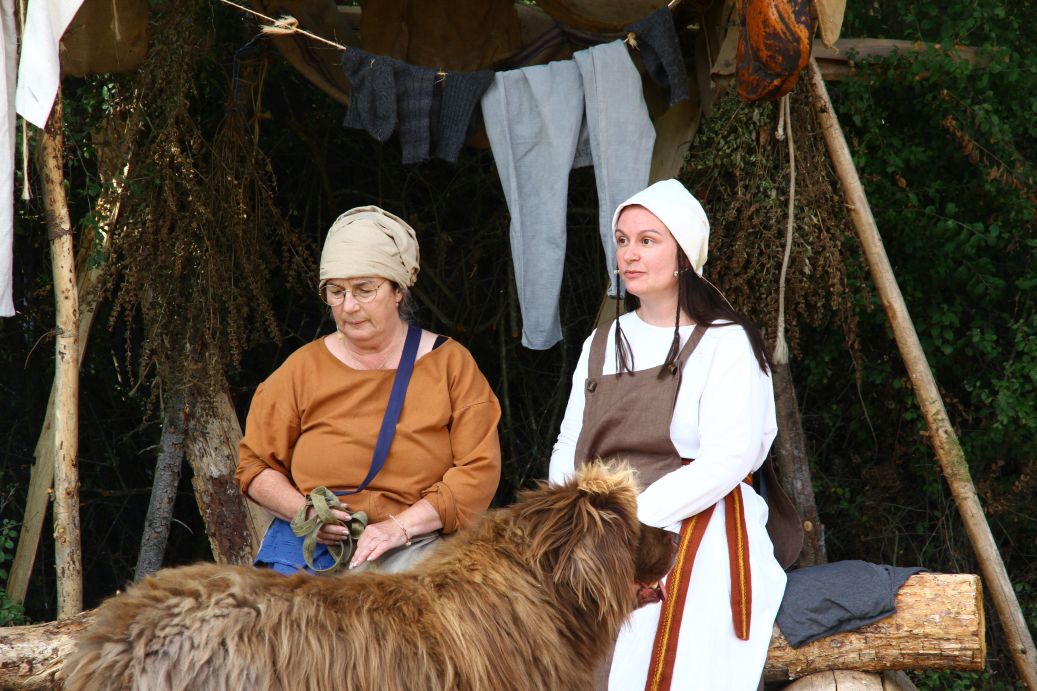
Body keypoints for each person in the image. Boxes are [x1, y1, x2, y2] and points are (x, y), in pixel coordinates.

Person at [549, 179, 788, 690]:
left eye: (647, 240)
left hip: (691, 514)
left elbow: (727, 459)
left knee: (652, 637)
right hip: (596, 516)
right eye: (622, 240)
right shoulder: (601, 341)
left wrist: (631, 518)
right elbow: (569, 444)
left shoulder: (726, 342)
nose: (629, 254)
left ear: (683, 254)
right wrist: (571, 514)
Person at [237, 206, 502, 575]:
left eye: (364, 289)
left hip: (414, 544)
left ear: (397, 290)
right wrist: (306, 512)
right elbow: (255, 466)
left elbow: (478, 470)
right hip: (311, 547)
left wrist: (399, 527)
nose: (349, 306)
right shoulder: (301, 369)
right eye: (336, 292)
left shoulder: (450, 365)